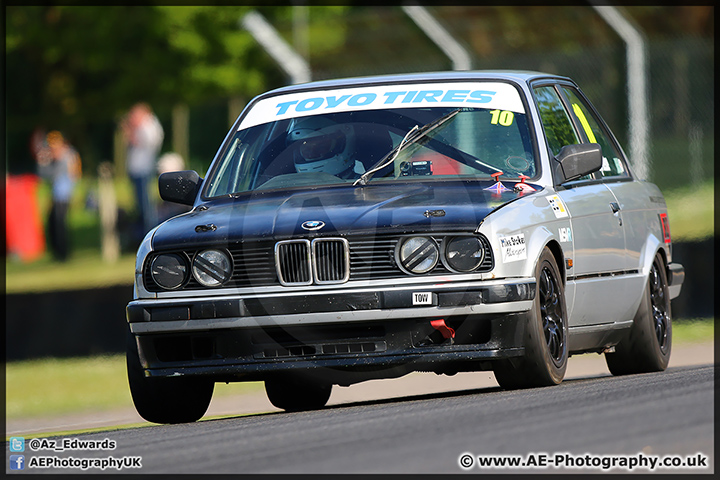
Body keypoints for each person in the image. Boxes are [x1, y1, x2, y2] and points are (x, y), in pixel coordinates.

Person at [35, 130, 82, 261]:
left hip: (64, 195)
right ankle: (57, 253)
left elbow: (69, 173)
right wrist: (43, 162)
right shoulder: (52, 158)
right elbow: (44, 175)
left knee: (60, 223)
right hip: (56, 195)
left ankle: (63, 253)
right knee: (53, 223)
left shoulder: (67, 155)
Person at [121, 102, 164, 240]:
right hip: (137, 169)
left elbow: (139, 141)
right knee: (140, 206)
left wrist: (131, 129)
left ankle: (149, 235)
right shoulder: (144, 126)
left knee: (146, 206)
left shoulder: (148, 126)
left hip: (144, 169)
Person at [286, 117, 365, 179]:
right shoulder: (288, 194)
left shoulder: (368, 189)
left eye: (321, 147)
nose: (311, 153)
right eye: (306, 149)